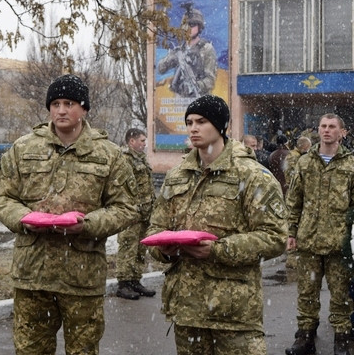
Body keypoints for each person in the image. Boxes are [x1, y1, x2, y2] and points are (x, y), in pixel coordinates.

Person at [0, 74, 138, 355]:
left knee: (83, 350)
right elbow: (2, 196)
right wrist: (22, 218)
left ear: (83, 108)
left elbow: (126, 207)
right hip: (33, 275)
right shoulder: (24, 149)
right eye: (55, 103)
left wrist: (88, 224)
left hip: (81, 278)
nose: (60, 110)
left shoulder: (108, 155)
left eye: (69, 103)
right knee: (30, 351)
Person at [147, 95, 287, 355]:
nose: (193, 128)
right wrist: (164, 249)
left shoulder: (252, 175)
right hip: (187, 311)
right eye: (189, 122)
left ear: (220, 126)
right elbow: (156, 228)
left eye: (201, 121)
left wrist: (217, 250)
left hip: (234, 313)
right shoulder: (177, 176)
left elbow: (275, 237)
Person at [286, 113, 354, 355]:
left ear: (342, 132)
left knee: (341, 294)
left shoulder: (350, 164)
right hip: (309, 240)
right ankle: (305, 338)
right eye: (323, 126)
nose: (326, 130)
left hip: (339, 243)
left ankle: (343, 338)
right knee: (307, 293)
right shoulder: (305, 163)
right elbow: (294, 201)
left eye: (332, 126)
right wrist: (291, 232)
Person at [115, 128, 157, 300]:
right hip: (132, 212)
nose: (144, 144)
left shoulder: (142, 159)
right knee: (128, 247)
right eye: (141, 141)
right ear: (131, 141)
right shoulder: (125, 160)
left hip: (145, 212)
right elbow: (123, 187)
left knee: (140, 248)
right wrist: (132, 207)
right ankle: (123, 284)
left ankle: (135, 280)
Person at [156, 5, 217, 98]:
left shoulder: (206, 49)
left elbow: (210, 80)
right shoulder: (179, 50)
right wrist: (171, 59)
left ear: (199, 27)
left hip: (200, 100)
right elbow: (160, 68)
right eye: (186, 25)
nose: (188, 28)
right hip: (179, 102)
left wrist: (195, 86)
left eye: (192, 25)